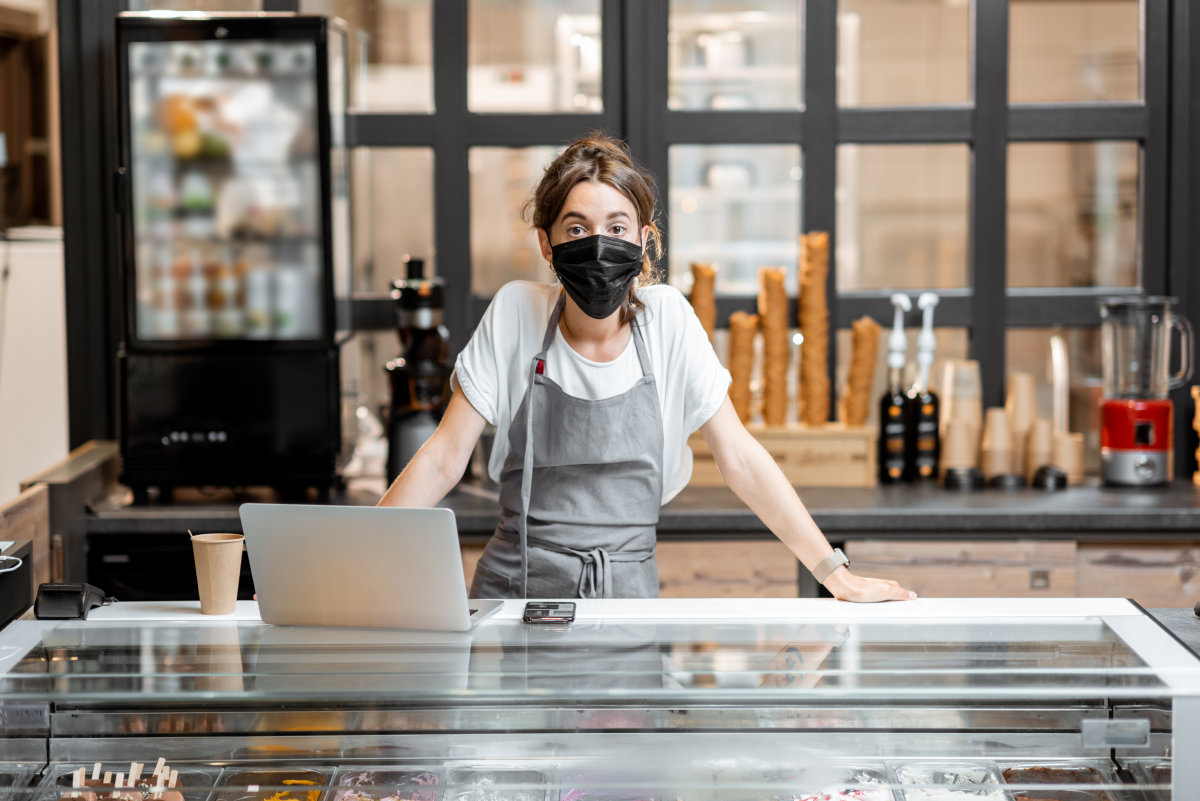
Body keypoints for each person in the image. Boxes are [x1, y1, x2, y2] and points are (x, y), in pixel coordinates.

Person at [380, 132, 915, 603]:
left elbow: (742, 460)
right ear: (546, 243)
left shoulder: (668, 322)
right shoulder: (517, 311)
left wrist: (834, 574)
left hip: (628, 600)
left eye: (617, 227)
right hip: (516, 592)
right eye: (576, 229)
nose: (599, 245)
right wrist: (352, 565)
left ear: (643, 240)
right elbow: (443, 461)